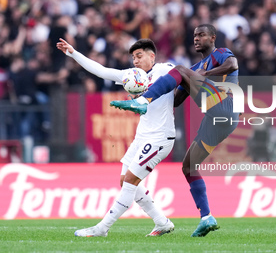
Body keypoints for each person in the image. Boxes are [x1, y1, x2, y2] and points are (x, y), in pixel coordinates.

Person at [111, 24, 239, 237]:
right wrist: (154, 98)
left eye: (202, 35)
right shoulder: (197, 66)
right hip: (215, 119)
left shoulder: (220, 54)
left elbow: (232, 64)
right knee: (189, 166)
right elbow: (177, 100)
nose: (196, 38)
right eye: (195, 35)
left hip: (225, 106)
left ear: (213, 37)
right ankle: (206, 217)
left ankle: (144, 100)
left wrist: (203, 74)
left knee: (179, 70)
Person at [56, 38, 175, 237]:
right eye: (133, 57)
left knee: (130, 181)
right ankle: (162, 222)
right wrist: (73, 53)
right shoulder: (132, 76)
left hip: (160, 137)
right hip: (142, 137)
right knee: (124, 181)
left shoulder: (166, 70)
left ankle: (102, 228)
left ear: (152, 56)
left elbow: (190, 77)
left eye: (139, 56)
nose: (135, 61)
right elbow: (101, 71)